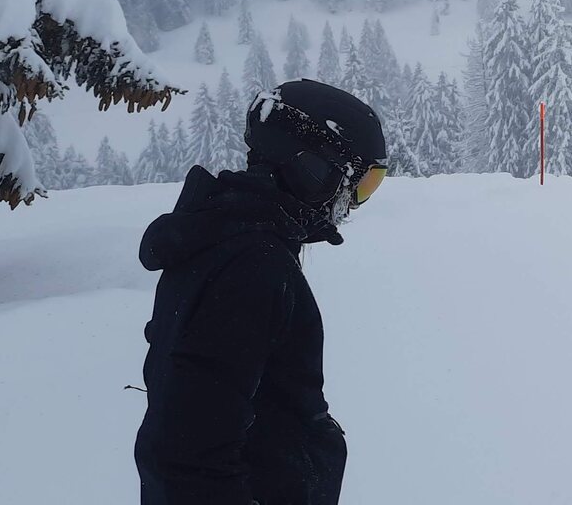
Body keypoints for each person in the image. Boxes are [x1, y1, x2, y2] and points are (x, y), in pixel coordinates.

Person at [135, 79, 388, 504]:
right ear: (314, 169)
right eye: (358, 184)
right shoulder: (252, 267)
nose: (350, 203)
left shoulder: (228, 239)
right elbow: (185, 456)